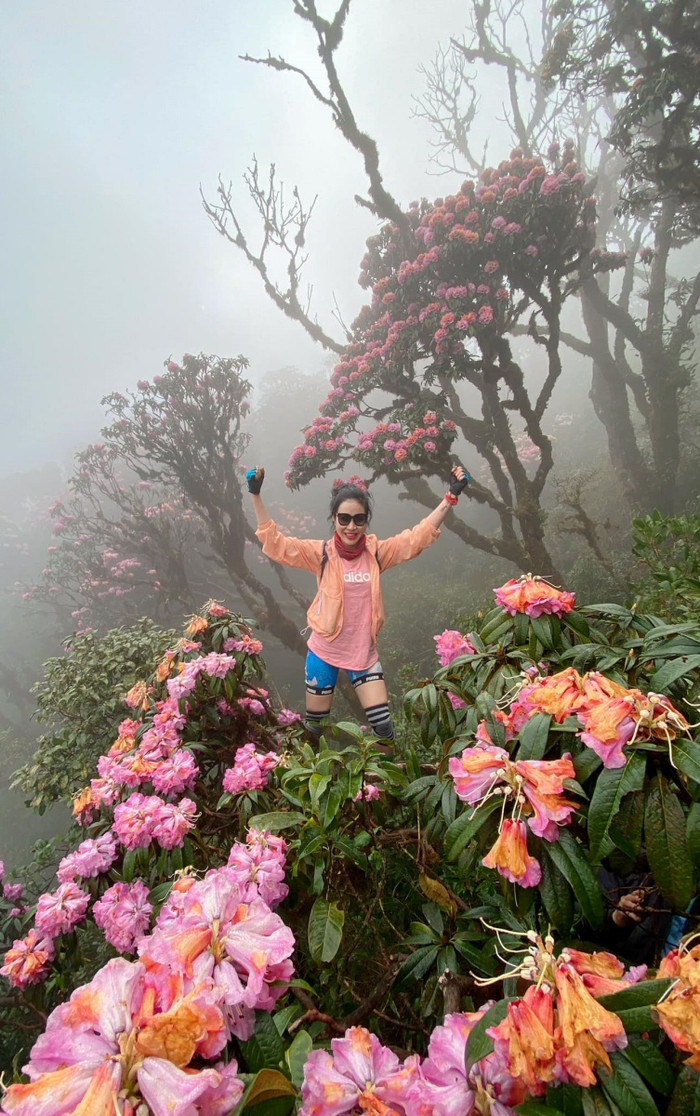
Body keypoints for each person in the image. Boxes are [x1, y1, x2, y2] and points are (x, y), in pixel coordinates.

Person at [246, 465, 469, 745]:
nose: (351, 526)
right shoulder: (321, 554)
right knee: (314, 728)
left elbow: (417, 537)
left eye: (359, 519)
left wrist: (450, 497)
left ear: (366, 521)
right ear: (334, 519)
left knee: (383, 728)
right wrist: (255, 495)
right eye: (344, 518)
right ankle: (312, 771)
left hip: (363, 654)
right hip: (324, 651)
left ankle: (383, 774)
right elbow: (276, 544)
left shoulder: (376, 554)